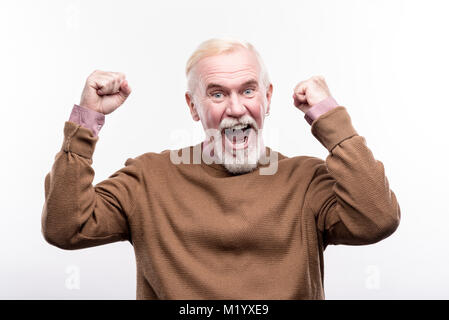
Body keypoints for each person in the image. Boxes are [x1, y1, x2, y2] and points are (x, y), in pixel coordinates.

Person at [41, 38, 400, 299]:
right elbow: (65, 228)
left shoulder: (307, 181)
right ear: (193, 107)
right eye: (216, 94)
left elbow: (377, 218)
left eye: (248, 91)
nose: (236, 108)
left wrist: (330, 119)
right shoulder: (148, 179)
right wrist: (87, 122)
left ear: (268, 98)